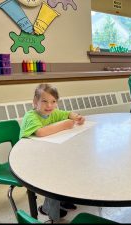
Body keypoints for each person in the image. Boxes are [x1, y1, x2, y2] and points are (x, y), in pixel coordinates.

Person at [20, 83, 85, 222]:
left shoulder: (53, 112)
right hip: (29, 160)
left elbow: (67, 114)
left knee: (70, 167)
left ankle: (62, 199)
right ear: (35, 102)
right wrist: (64, 124)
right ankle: (49, 210)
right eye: (44, 101)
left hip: (46, 155)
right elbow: (41, 132)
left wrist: (76, 117)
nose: (49, 105)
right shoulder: (31, 116)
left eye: (53, 102)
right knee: (55, 177)